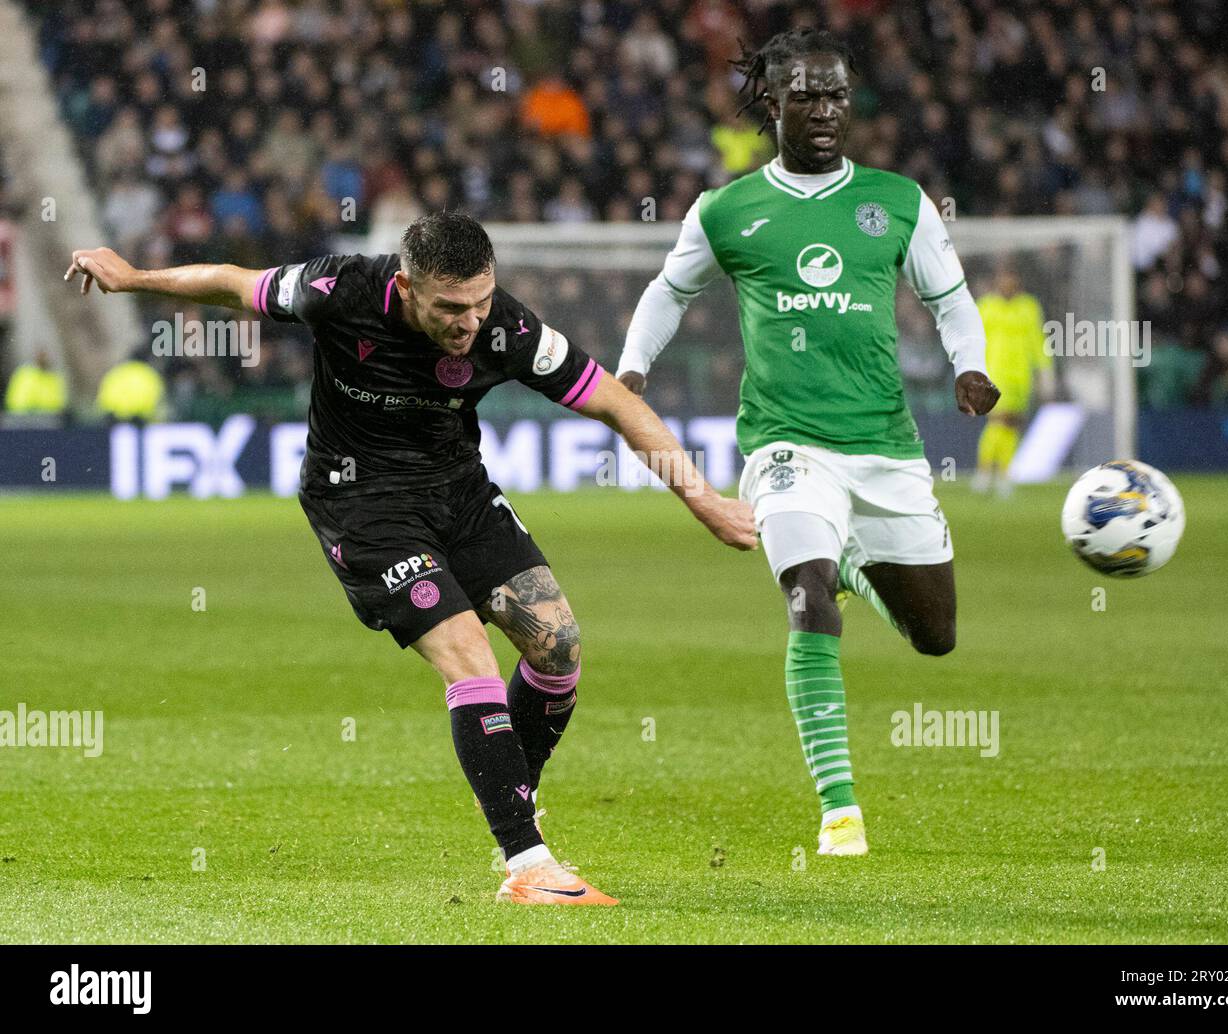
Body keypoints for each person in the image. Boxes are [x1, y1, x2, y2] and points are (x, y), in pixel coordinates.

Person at [66, 211, 755, 905]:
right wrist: (133, 279)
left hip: (457, 491)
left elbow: (613, 402)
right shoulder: (338, 290)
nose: (468, 323)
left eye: (480, 302)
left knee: (558, 647)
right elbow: (234, 284)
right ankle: (527, 864)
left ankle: (511, 789)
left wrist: (704, 501)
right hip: (361, 502)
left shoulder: (506, 329)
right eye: (451, 308)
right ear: (406, 286)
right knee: (467, 651)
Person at [616, 29, 999, 856]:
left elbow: (952, 298)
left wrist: (970, 366)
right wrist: (632, 370)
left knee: (937, 637)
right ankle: (840, 811)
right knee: (806, 591)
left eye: (837, 95)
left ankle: (860, 567)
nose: (825, 111)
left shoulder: (899, 201)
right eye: (806, 96)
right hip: (787, 446)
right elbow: (667, 292)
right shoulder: (728, 210)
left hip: (887, 450)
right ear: (773, 104)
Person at [974, 262, 1053, 495]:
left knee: (1011, 425)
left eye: (1011, 279)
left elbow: (1037, 340)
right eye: (1004, 279)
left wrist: (1045, 371)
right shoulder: (986, 306)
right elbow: (975, 339)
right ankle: (986, 470)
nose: (1008, 283)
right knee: (999, 420)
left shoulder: (1029, 306)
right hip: (994, 373)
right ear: (997, 282)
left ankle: (1002, 474)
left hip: (1021, 375)